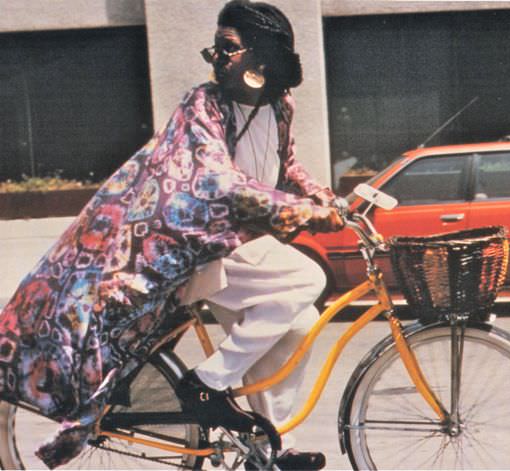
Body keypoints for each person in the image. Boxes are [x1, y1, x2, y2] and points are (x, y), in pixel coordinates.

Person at [0, 0, 342, 468]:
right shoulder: (205, 103)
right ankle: (206, 384)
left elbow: (286, 164)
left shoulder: (280, 104)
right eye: (217, 48)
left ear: (264, 53)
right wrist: (300, 210)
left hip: (241, 241)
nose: (219, 58)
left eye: (230, 48)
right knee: (308, 278)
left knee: (297, 324)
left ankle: (272, 448)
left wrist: (320, 196)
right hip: (196, 242)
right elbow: (216, 183)